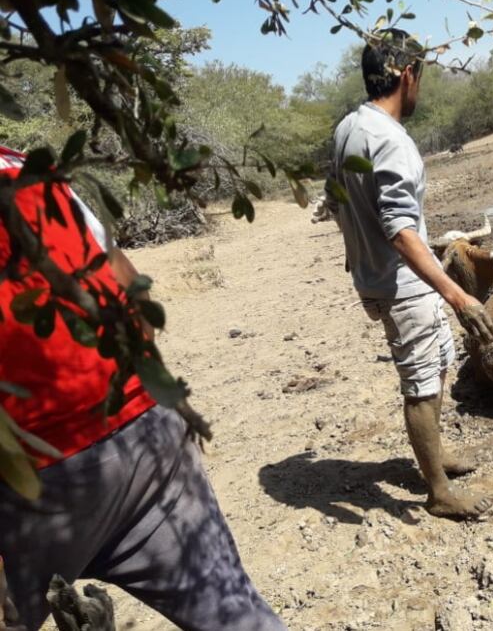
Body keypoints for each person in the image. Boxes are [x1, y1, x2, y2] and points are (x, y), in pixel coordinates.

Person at [0, 145, 286, 631]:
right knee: (237, 617)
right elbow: (132, 291)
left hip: (35, 475)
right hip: (146, 431)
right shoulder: (25, 168)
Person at [327, 29, 493, 519]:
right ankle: (438, 492)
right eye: (420, 75)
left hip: (378, 278)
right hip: (404, 286)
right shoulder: (392, 142)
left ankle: (434, 456)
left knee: (439, 360)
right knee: (421, 384)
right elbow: (401, 231)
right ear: (407, 74)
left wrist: (354, 254)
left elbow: (338, 199)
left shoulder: (349, 128)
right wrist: (458, 297)